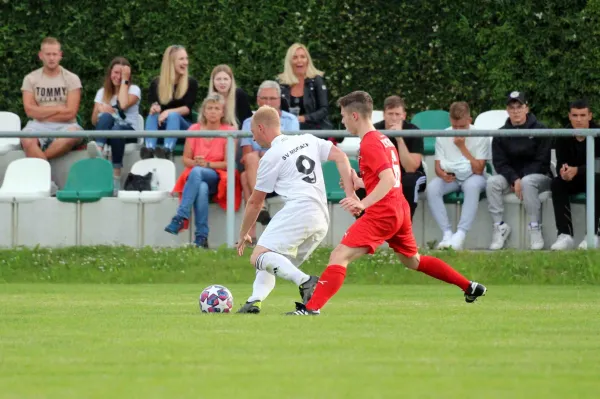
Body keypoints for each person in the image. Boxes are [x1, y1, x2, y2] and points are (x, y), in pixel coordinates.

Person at [286, 91, 486, 316]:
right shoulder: (382, 139)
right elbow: (387, 177)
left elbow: (389, 180)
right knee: (413, 261)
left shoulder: (370, 143)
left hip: (384, 211)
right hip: (398, 208)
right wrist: (359, 182)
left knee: (339, 255)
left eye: (343, 116)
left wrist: (363, 204)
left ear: (354, 116)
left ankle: (311, 309)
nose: (341, 121)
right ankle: (469, 286)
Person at [235, 105, 355, 314]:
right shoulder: (307, 139)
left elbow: (255, 203)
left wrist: (243, 233)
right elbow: (341, 157)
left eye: (253, 133)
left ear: (261, 128)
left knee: (258, 256)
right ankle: (253, 302)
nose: (253, 139)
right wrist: (350, 193)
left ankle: (306, 281)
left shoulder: (271, 156)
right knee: (271, 260)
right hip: (320, 217)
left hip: (299, 210)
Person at [164, 94, 234, 248]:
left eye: (217, 108)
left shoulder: (229, 131)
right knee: (200, 187)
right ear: (204, 111)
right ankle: (201, 237)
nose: (213, 111)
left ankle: (181, 216)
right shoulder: (194, 129)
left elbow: (228, 164)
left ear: (223, 112)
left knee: (197, 172)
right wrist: (196, 162)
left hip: (217, 176)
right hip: (199, 178)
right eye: (209, 108)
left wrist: (207, 164)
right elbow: (186, 159)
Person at [486, 91, 552, 250]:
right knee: (492, 182)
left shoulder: (541, 129)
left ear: (526, 108)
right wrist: (515, 179)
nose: (516, 111)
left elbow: (542, 161)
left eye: (519, 107)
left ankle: (535, 227)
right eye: (512, 107)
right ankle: (499, 226)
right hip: (513, 179)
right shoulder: (501, 133)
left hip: (539, 177)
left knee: (528, 182)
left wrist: (521, 179)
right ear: (507, 110)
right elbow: (500, 163)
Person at [239, 80, 300, 238]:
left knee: (247, 174)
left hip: (283, 171)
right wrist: (268, 153)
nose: (268, 102)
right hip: (260, 171)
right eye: (264, 98)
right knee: (249, 164)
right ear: (258, 100)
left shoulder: (291, 121)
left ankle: (250, 233)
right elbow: (246, 153)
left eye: (272, 98)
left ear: (279, 100)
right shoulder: (248, 122)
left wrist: (263, 153)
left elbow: (290, 151)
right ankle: (260, 213)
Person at [426, 102, 491, 250]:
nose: (458, 131)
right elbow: (437, 167)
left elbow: (479, 169)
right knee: (432, 188)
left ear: (470, 120)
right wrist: (443, 175)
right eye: (455, 127)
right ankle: (447, 233)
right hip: (453, 177)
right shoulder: (443, 135)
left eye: (462, 127)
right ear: (450, 121)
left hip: (475, 176)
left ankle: (461, 234)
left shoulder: (481, 136)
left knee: (471, 185)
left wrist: (462, 147)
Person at [20, 37, 83, 162]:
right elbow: (29, 111)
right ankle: (47, 175)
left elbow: (71, 112)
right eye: (48, 54)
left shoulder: (72, 78)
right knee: (26, 139)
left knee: (72, 135)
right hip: (38, 125)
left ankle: (43, 167)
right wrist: (58, 109)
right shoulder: (30, 79)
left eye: (54, 54)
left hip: (67, 125)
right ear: (40, 55)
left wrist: (41, 112)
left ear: (60, 55)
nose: (51, 58)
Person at [550, 99, 600, 250]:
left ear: (590, 116)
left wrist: (578, 170)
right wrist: (563, 172)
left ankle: (592, 234)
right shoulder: (563, 135)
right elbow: (560, 163)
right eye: (575, 115)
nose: (579, 120)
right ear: (569, 116)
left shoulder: (598, 133)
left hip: (593, 177)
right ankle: (565, 235)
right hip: (573, 179)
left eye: (583, 115)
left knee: (597, 180)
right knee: (557, 183)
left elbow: (599, 165)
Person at [88, 57, 141, 192]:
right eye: (115, 73)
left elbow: (122, 104)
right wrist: (100, 109)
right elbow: (94, 121)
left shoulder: (134, 90)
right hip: (108, 132)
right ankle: (99, 150)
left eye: (121, 73)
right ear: (110, 72)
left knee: (117, 129)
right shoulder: (102, 92)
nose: (117, 77)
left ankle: (116, 177)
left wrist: (125, 80)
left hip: (128, 130)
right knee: (106, 116)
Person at [370, 95, 426, 219]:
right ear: (384, 115)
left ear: (404, 116)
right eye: (390, 114)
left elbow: (411, 168)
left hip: (410, 174)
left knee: (409, 182)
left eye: (397, 114)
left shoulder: (413, 131)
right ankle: (369, 233)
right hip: (384, 173)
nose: (394, 118)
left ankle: (404, 229)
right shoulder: (374, 130)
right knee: (360, 179)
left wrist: (399, 138)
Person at [141, 45, 198, 160]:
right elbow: (154, 103)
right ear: (171, 62)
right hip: (162, 127)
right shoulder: (156, 83)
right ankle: (149, 149)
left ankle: (167, 150)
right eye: (181, 59)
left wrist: (167, 112)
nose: (186, 62)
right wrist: (154, 108)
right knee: (152, 116)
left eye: (186, 58)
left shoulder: (191, 83)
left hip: (183, 129)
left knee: (173, 116)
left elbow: (187, 109)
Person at [278, 43, 332, 130]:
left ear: (307, 60)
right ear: (289, 62)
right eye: (295, 57)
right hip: (287, 130)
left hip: (314, 131)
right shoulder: (281, 84)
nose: (299, 60)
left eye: (303, 57)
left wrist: (305, 118)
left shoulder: (316, 80)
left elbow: (324, 110)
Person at [208, 64, 252, 128]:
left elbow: (247, 121)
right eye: (218, 79)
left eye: (225, 79)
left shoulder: (239, 94)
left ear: (231, 81)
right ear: (213, 81)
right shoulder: (210, 99)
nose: (222, 82)